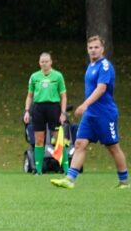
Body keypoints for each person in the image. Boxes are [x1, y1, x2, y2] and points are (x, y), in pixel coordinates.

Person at [51, 36, 129, 189]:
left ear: (102, 49)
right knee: (80, 144)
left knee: (113, 147)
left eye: (96, 47)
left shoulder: (105, 66)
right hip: (90, 115)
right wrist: (87, 108)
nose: (93, 50)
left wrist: (85, 105)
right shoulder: (91, 66)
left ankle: (124, 182)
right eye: (90, 48)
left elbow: (101, 88)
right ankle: (70, 179)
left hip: (105, 114)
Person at [23, 53, 67, 174]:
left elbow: (63, 96)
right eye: (42, 61)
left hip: (53, 107)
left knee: (57, 139)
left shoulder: (58, 76)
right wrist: (27, 111)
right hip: (38, 108)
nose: (44, 64)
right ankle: (38, 169)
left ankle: (66, 168)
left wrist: (63, 112)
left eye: (46, 61)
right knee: (39, 139)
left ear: (51, 62)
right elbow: (29, 96)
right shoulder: (34, 76)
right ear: (39, 63)